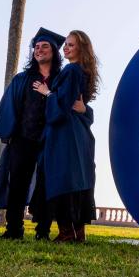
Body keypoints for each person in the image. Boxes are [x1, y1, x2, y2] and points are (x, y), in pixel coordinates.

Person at [0, 28, 90, 241]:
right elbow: (10, 108)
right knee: (17, 183)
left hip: (51, 140)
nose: (39, 50)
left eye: (44, 46)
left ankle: (42, 231)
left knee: (45, 187)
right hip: (24, 138)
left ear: (54, 50)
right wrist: (10, 134)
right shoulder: (23, 79)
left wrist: (87, 111)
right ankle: (14, 230)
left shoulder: (61, 77)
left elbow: (77, 105)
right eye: (36, 47)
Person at [35, 30, 99, 243]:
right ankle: (78, 233)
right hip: (77, 132)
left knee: (62, 179)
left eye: (71, 45)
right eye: (66, 45)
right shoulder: (82, 71)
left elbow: (61, 107)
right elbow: (78, 106)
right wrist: (83, 110)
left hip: (65, 134)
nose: (66, 48)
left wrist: (47, 93)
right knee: (76, 180)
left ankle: (67, 232)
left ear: (81, 48)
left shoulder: (71, 70)